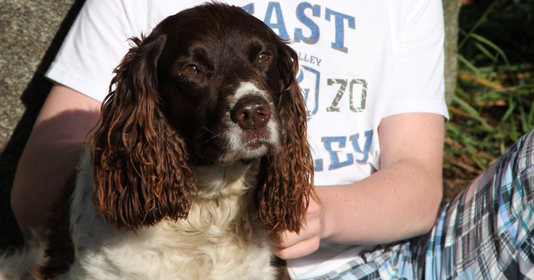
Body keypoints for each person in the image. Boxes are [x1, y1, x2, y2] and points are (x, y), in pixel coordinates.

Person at [10, 0, 534, 279]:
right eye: (195, 67)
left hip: (379, 267)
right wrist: (148, 176)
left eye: (260, 61)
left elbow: (419, 185)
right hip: (141, 252)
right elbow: (34, 188)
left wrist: (317, 213)